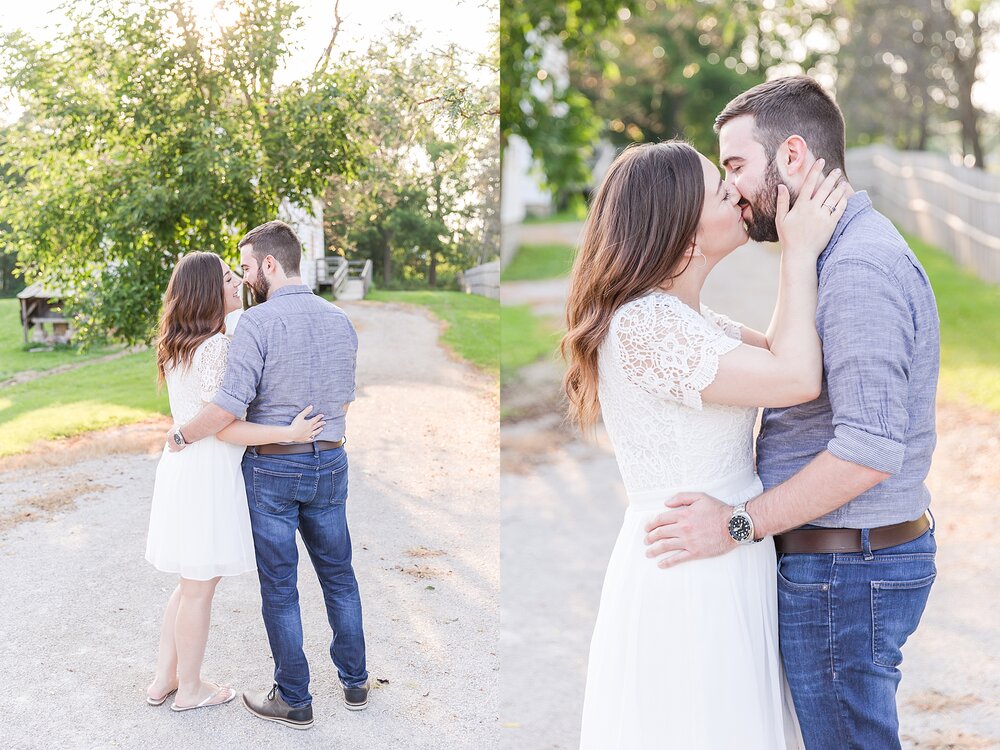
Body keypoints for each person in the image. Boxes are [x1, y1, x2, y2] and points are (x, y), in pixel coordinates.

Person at [643, 76, 940, 749]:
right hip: (842, 566)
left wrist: (738, 525)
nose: (733, 190)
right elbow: (784, 361)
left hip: (846, 572)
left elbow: (866, 449)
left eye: (737, 167)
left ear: (795, 156)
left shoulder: (860, 267)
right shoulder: (831, 256)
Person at [562, 137, 847, 748]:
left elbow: (777, 349)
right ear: (682, 231)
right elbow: (796, 378)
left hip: (722, 551)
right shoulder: (647, 327)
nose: (738, 193)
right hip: (689, 571)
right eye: (722, 191)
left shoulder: (687, 318)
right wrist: (796, 257)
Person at [166, 220, 368, 731]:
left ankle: (295, 698)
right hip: (332, 458)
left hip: (275, 467)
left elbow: (229, 407)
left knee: (281, 588)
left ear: (271, 265)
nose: (245, 276)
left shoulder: (255, 324)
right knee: (340, 576)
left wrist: (182, 435)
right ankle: (356, 682)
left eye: (249, 265)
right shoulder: (341, 318)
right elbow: (344, 399)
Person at [145, 251, 325, 712]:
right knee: (200, 585)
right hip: (206, 473)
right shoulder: (216, 348)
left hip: (183, 470)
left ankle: (164, 678)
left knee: (190, 581)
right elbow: (224, 424)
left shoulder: (177, 343)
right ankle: (189, 689)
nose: (236, 284)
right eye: (227, 279)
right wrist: (287, 433)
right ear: (208, 290)